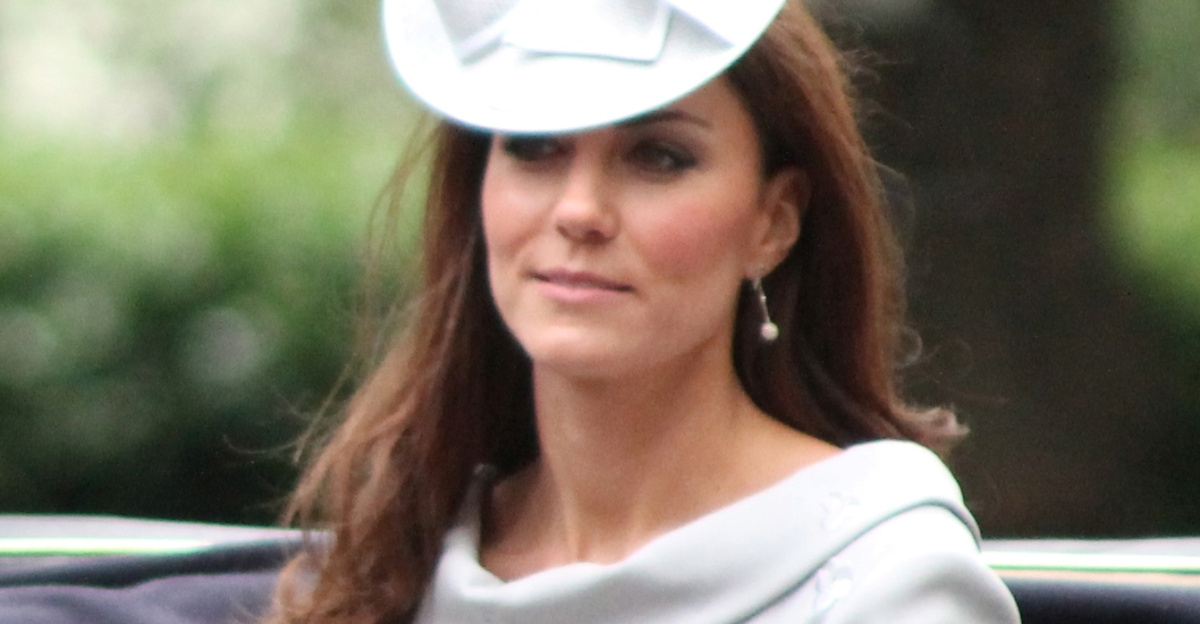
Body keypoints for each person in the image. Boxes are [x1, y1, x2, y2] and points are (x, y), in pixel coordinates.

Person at [266, 0, 1022, 622]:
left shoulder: (890, 584)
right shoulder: (395, 567)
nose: (580, 211)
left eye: (658, 156)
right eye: (534, 146)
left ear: (775, 220)